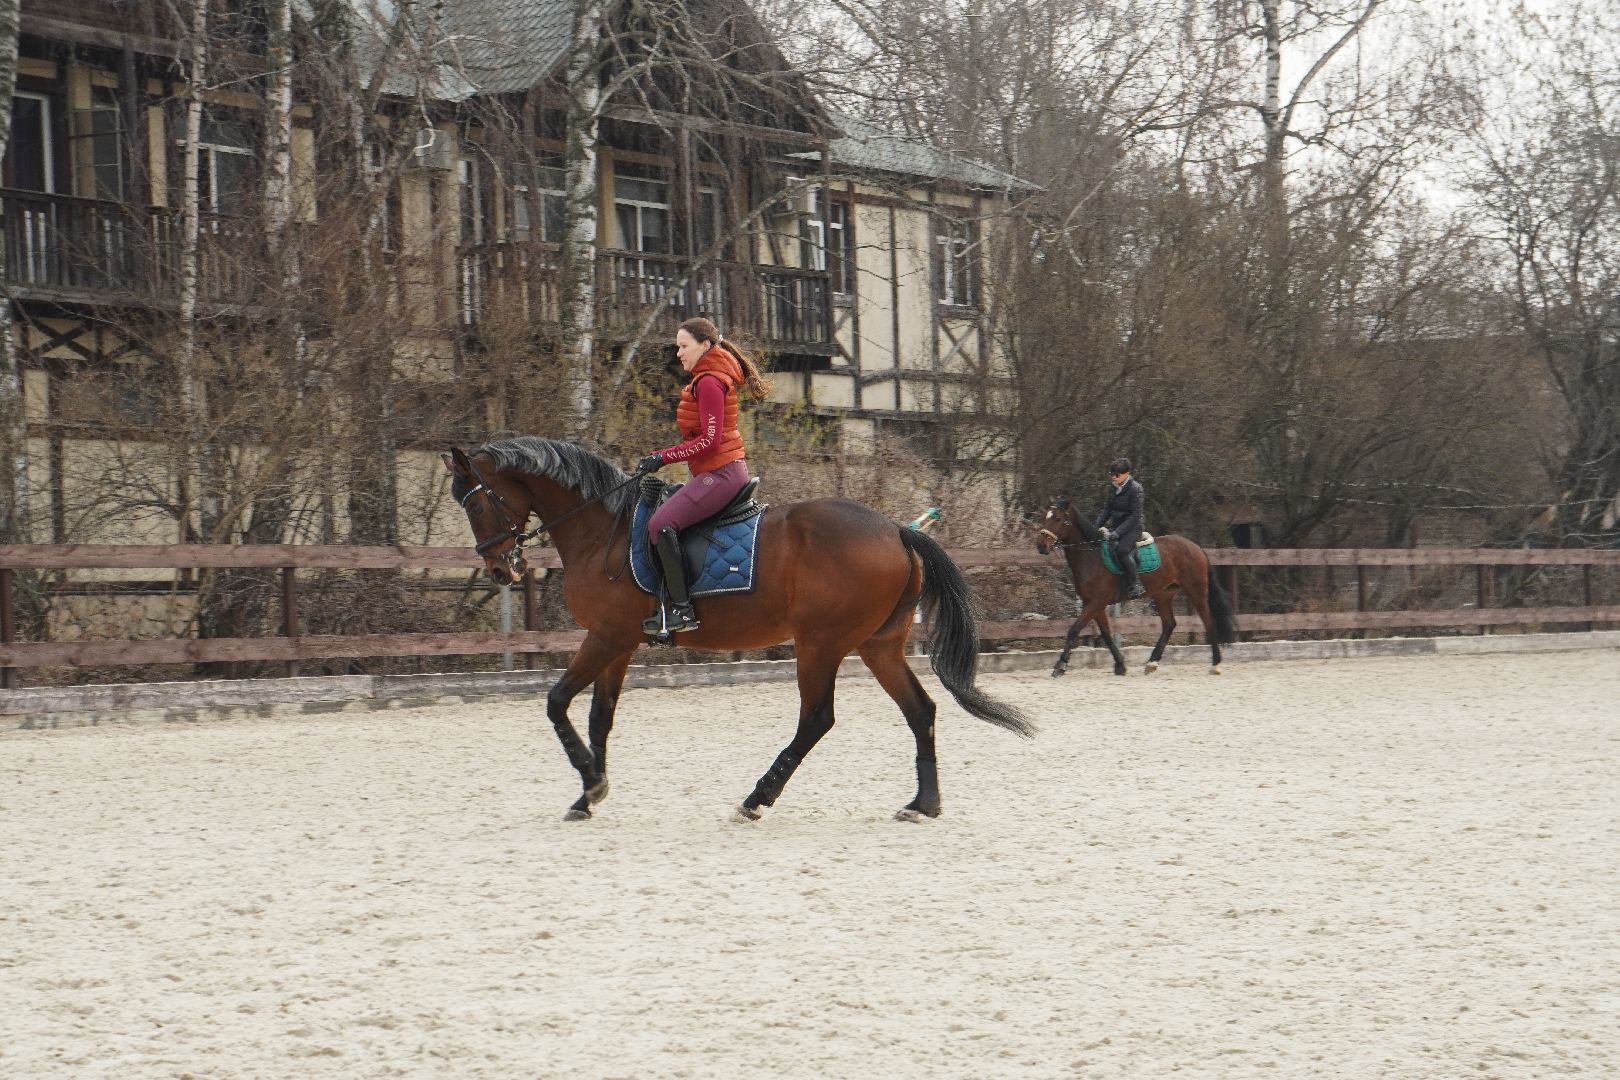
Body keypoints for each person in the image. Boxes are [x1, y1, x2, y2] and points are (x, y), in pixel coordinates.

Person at [633, 317, 773, 639]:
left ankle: (681, 610)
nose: (678, 353)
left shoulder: (710, 381)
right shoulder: (705, 378)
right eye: (677, 347)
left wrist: (663, 457)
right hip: (717, 472)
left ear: (705, 345)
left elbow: (709, 442)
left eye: (683, 346)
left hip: (722, 474)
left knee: (659, 525)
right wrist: (661, 456)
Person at [1095, 456, 1146, 599]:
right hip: (1117, 526)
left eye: (1116, 475)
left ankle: (1136, 584)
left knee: (1122, 550)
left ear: (1126, 474)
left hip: (1134, 528)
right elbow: (1107, 510)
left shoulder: (1136, 489)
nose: (1113, 477)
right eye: (1111, 474)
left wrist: (1117, 532)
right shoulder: (1113, 488)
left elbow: (1135, 516)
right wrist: (1094, 527)